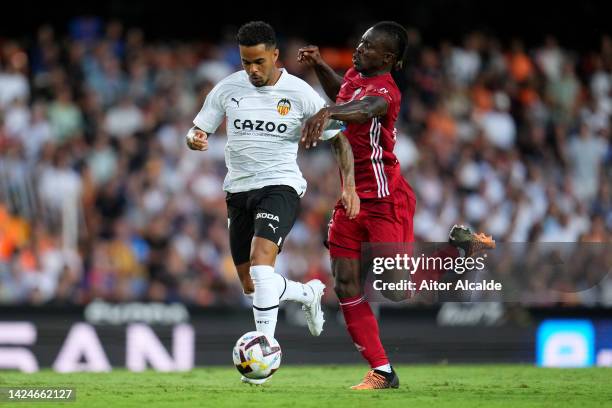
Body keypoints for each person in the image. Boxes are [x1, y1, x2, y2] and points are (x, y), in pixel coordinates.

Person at [299, 21, 494, 389]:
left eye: (368, 46)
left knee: (396, 290)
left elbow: (362, 109)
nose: (359, 49)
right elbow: (344, 95)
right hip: (351, 196)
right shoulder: (356, 75)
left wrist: (328, 113)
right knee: (345, 284)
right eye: (360, 42)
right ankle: (383, 371)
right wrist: (320, 65)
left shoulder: (387, 92)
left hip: (386, 199)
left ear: (388, 57)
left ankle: (458, 248)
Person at [186, 21, 358, 384]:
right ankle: (308, 292)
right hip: (237, 192)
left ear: (274, 55)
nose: (252, 70)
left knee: (264, 269)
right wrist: (195, 138)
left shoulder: (300, 94)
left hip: (280, 186)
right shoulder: (228, 88)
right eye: (246, 62)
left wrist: (350, 188)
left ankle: (262, 362)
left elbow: (340, 139)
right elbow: (199, 127)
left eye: (259, 62)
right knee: (252, 285)